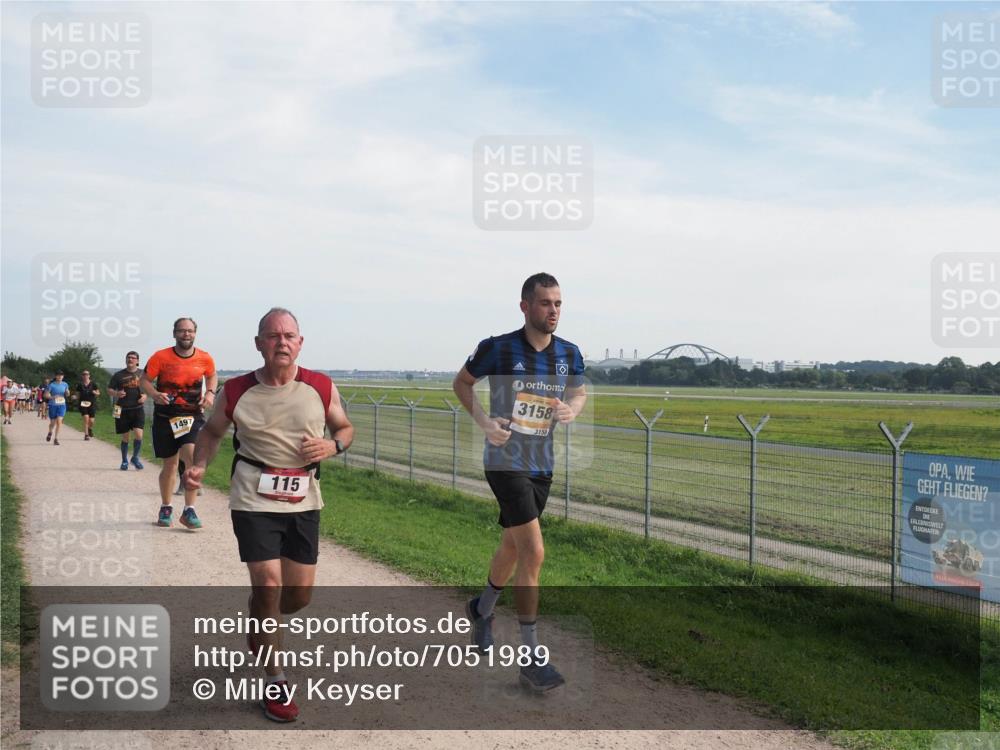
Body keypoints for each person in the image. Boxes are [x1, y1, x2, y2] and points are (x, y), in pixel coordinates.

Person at [184, 308, 353, 723]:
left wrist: (334, 447)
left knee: (298, 595)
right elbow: (211, 433)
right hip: (253, 496)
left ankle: (261, 617)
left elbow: (345, 429)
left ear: (300, 343)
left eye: (289, 335)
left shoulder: (320, 386)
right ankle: (275, 680)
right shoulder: (238, 389)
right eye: (273, 335)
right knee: (269, 584)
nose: (282, 342)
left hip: (304, 499)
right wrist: (201, 465)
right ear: (258, 343)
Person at [452, 272, 586, 693]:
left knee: (512, 544)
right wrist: (485, 423)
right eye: (546, 303)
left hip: (542, 465)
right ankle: (530, 655)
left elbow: (578, 391)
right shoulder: (498, 347)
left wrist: (572, 409)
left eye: (559, 304)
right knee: (534, 551)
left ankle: (482, 608)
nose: (554, 311)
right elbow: (462, 383)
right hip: (504, 460)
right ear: (525, 306)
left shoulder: (569, 353)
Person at [140, 318, 217, 530]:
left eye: (190, 331)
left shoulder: (205, 358)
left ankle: (189, 510)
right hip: (165, 417)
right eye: (182, 331)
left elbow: (212, 376)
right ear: (174, 333)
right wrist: (155, 394)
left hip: (192, 417)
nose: (186, 334)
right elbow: (144, 380)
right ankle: (166, 507)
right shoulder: (160, 356)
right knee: (170, 464)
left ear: (195, 333)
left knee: (192, 458)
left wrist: (209, 393)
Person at [109, 351, 147, 470]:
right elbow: (109, 389)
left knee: (139, 434)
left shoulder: (143, 374)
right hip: (120, 408)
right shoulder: (118, 375)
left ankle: (135, 457)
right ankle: (124, 461)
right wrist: (116, 393)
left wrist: (145, 396)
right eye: (128, 357)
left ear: (137, 361)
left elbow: (149, 388)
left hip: (137, 409)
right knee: (125, 436)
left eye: (133, 358)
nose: (130, 359)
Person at [46, 371, 71, 445]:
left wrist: (67, 393)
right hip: (53, 405)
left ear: (63, 377)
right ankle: (50, 432)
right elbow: (46, 395)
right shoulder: (51, 385)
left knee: (59, 422)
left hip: (62, 405)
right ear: (56, 376)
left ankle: (56, 439)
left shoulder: (65, 384)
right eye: (58, 375)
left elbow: (67, 394)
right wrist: (52, 397)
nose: (60, 376)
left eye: (61, 375)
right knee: (52, 423)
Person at [74, 371, 101, 440]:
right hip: (82, 403)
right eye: (84, 374)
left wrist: (95, 392)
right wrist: (74, 397)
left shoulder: (93, 384)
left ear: (89, 375)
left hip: (91, 404)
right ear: (82, 376)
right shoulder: (80, 385)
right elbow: (77, 395)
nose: (85, 376)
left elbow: (98, 393)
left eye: (86, 374)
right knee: (86, 418)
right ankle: (86, 435)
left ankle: (89, 429)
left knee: (91, 421)